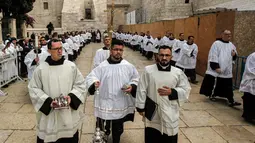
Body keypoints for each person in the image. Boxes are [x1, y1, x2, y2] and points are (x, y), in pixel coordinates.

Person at [28, 39, 87, 143]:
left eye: (61, 48)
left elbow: (81, 84)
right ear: (49, 50)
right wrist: (48, 102)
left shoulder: (71, 66)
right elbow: (33, 88)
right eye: (56, 49)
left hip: (68, 113)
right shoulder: (41, 69)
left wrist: (71, 97)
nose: (60, 51)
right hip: (50, 114)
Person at [85, 39, 139, 143]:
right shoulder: (102, 66)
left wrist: (132, 87)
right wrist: (94, 83)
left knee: (118, 127)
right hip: (105, 101)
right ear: (110, 50)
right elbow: (91, 77)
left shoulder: (128, 66)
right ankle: (104, 135)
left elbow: (136, 78)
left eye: (120, 50)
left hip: (120, 102)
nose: (118, 52)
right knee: (102, 124)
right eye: (116, 49)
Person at [136, 45, 191, 143]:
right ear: (157, 56)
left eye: (167, 55)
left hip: (170, 110)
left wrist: (173, 92)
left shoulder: (178, 72)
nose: (164, 58)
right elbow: (141, 89)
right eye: (161, 55)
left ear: (171, 57)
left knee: (169, 137)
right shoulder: (148, 70)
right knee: (152, 136)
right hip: (153, 111)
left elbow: (186, 89)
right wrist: (140, 107)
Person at [200, 30, 241, 107]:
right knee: (215, 84)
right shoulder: (216, 44)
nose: (228, 36)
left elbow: (235, 55)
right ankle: (212, 95)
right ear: (222, 35)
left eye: (230, 34)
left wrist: (234, 54)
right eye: (226, 34)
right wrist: (215, 67)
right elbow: (213, 55)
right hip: (218, 69)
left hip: (227, 70)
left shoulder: (231, 45)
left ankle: (231, 100)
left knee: (228, 85)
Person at [239, 52, 255, 123]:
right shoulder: (253, 56)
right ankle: (249, 116)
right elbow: (250, 70)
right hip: (251, 81)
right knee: (250, 99)